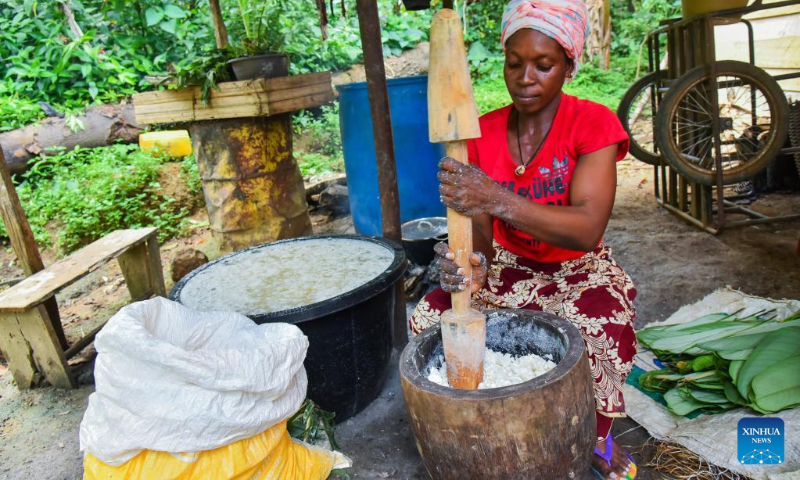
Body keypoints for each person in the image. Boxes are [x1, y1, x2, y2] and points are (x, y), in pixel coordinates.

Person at [410, 1, 638, 478]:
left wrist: (496, 197)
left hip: (577, 268)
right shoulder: (481, 134)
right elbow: (481, 240)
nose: (526, 77)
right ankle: (477, 430)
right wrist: (471, 262)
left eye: (544, 64)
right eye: (515, 63)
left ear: (569, 66)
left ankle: (590, 435)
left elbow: (586, 228)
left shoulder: (591, 124)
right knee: (433, 314)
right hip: (510, 265)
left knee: (598, 320)